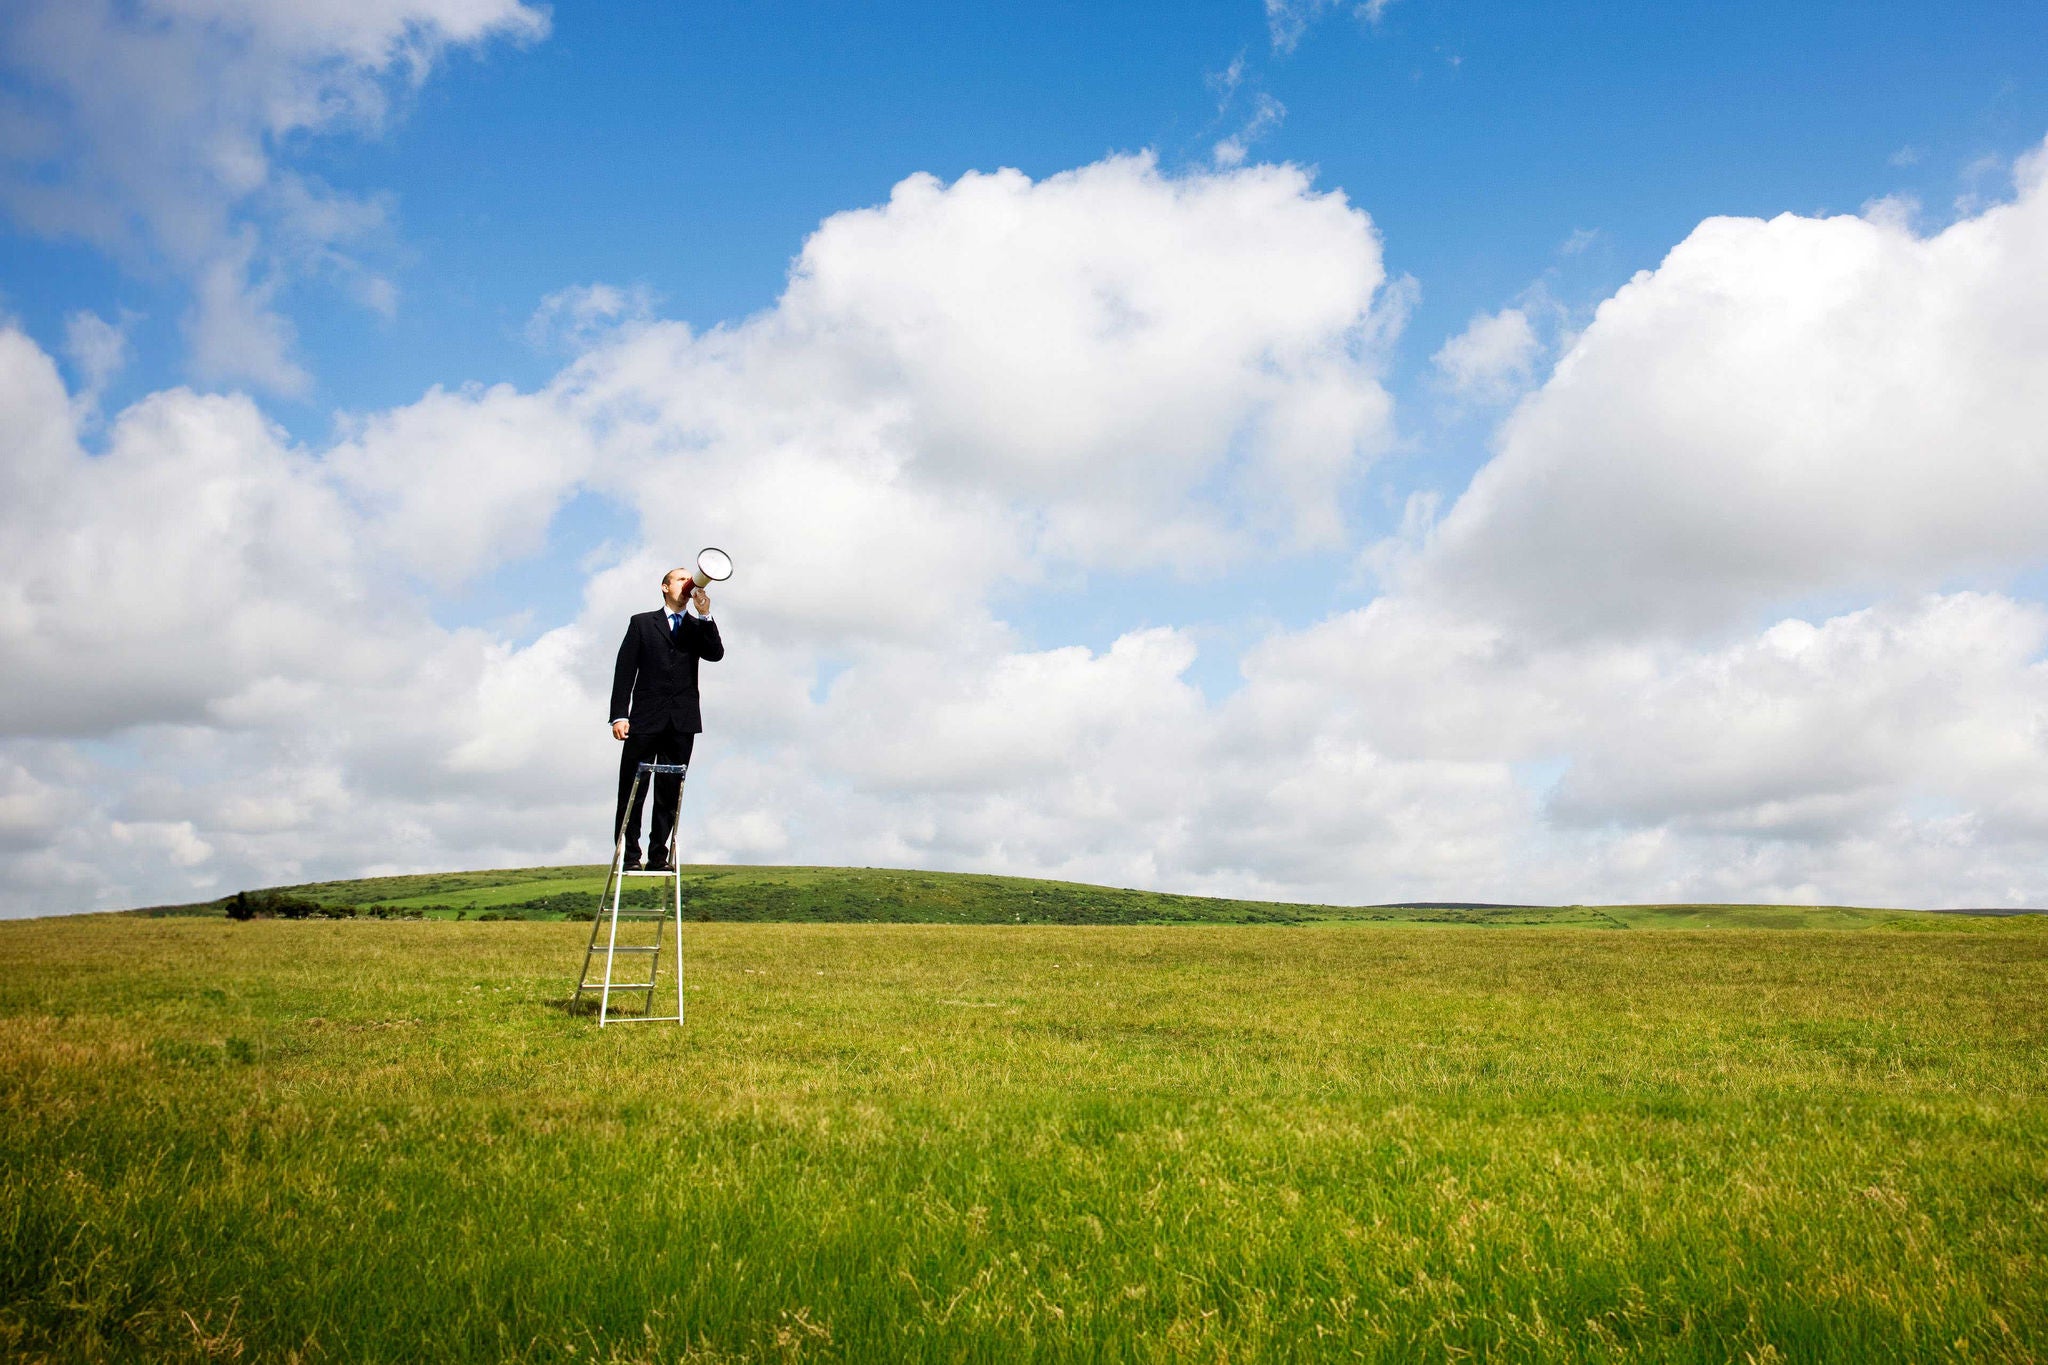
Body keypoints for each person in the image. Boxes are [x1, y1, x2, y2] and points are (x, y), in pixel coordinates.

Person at [609, 566, 725, 871]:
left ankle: (658, 856)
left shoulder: (696, 625)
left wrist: (705, 615)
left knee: (669, 792)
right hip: (644, 719)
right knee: (634, 787)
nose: (687, 583)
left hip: (681, 721)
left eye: (689, 579)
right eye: (680, 579)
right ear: (664, 587)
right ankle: (629, 855)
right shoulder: (642, 623)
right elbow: (624, 672)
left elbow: (715, 654)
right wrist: (620, 715)